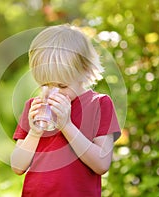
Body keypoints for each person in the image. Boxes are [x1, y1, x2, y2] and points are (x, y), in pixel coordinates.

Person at [10, 24, 121, 197]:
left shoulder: (99, 105)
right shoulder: (35, 107)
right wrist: (34, 132)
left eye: (62, 85)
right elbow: (17, 166)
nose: (52, 91)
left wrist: (66, 125)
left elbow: (102, 164)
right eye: (44, 84)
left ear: (84, 71)